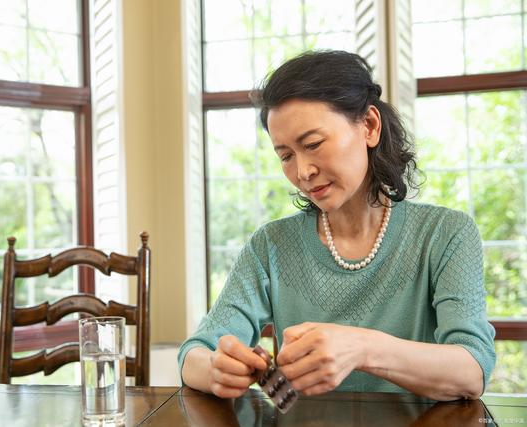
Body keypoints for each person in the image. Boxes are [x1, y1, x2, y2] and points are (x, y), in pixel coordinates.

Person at [177, 50, 496, 401]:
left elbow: (472, 370)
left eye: (313, 144)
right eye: (285, 155)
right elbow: (194, 353)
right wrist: (216, 370)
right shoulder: (271, 245)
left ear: (370, 126)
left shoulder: (446, 234)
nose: (302, 171)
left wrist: (363, 348)